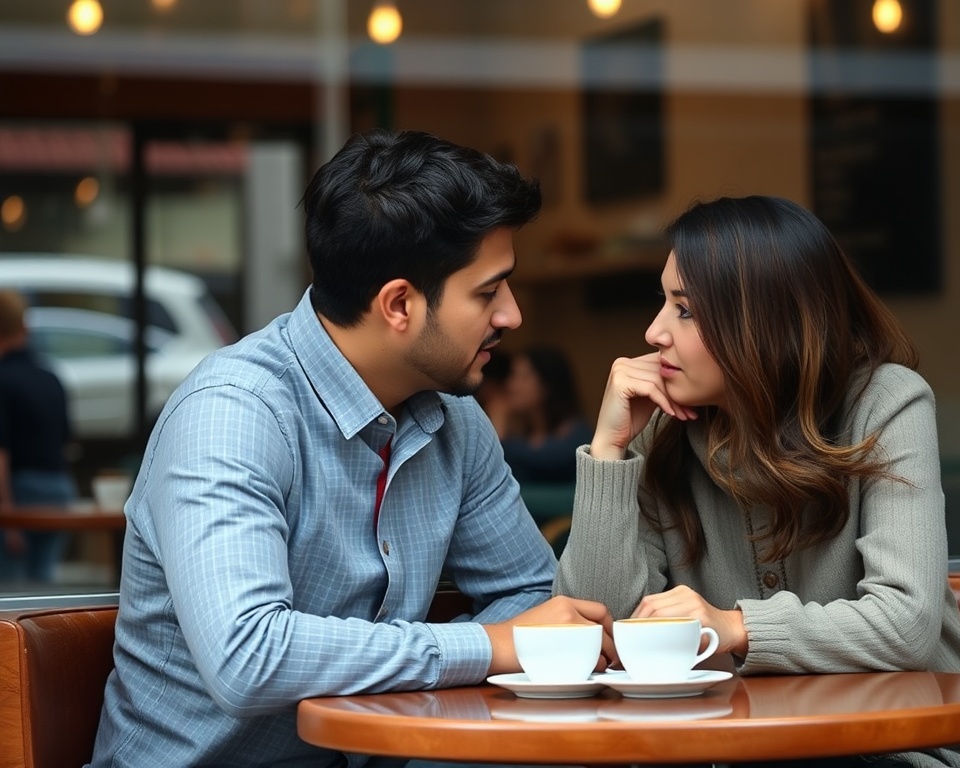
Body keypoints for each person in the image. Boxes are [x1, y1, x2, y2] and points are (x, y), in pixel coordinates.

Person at [87, 129, 612, 768]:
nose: (512, 316)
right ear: (399, 304)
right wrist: (489, 647)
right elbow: (247, 656)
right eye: (488, 291)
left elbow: (531, 592)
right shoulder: (233, 413)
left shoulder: (455, 417)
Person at [554, 195, 960, 767]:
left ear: (763, 320)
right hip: (737, 746)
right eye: (663, 302)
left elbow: (906, 625)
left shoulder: (886, 404)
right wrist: (609, 452)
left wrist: (734, 626)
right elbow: (596, 632)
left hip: (914, 749)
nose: (654, 333)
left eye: (685, 309)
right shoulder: (659, 433)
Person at [0, 288, 77, 583]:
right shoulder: (51, 376)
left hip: (18, 493)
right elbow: (66, 439)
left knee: (10, 589)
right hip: (59, 490)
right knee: (43, 583)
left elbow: (1, 453)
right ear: (24, 327)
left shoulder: (2, 379)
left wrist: (8, 516)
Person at [495, 345, 592, 484]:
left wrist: (499, 421)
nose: (512, 385)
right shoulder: (521, 432)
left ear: (548, 383)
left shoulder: (577, 434)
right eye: (513, 375)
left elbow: (549, 459)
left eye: (524, 377)